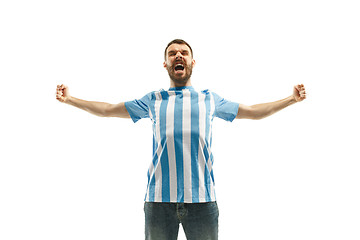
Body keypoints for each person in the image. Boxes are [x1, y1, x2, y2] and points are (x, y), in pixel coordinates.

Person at [56, 39, 306, 240]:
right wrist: (70, 99)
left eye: (184, 53)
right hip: (158, 203)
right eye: (172, 53)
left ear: (192, 62)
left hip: (202, 201)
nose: (178, 56)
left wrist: (291, 99)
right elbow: (108, 109)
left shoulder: (209, 99)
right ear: (165, 64)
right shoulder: (153, 100)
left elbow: (253, 112)